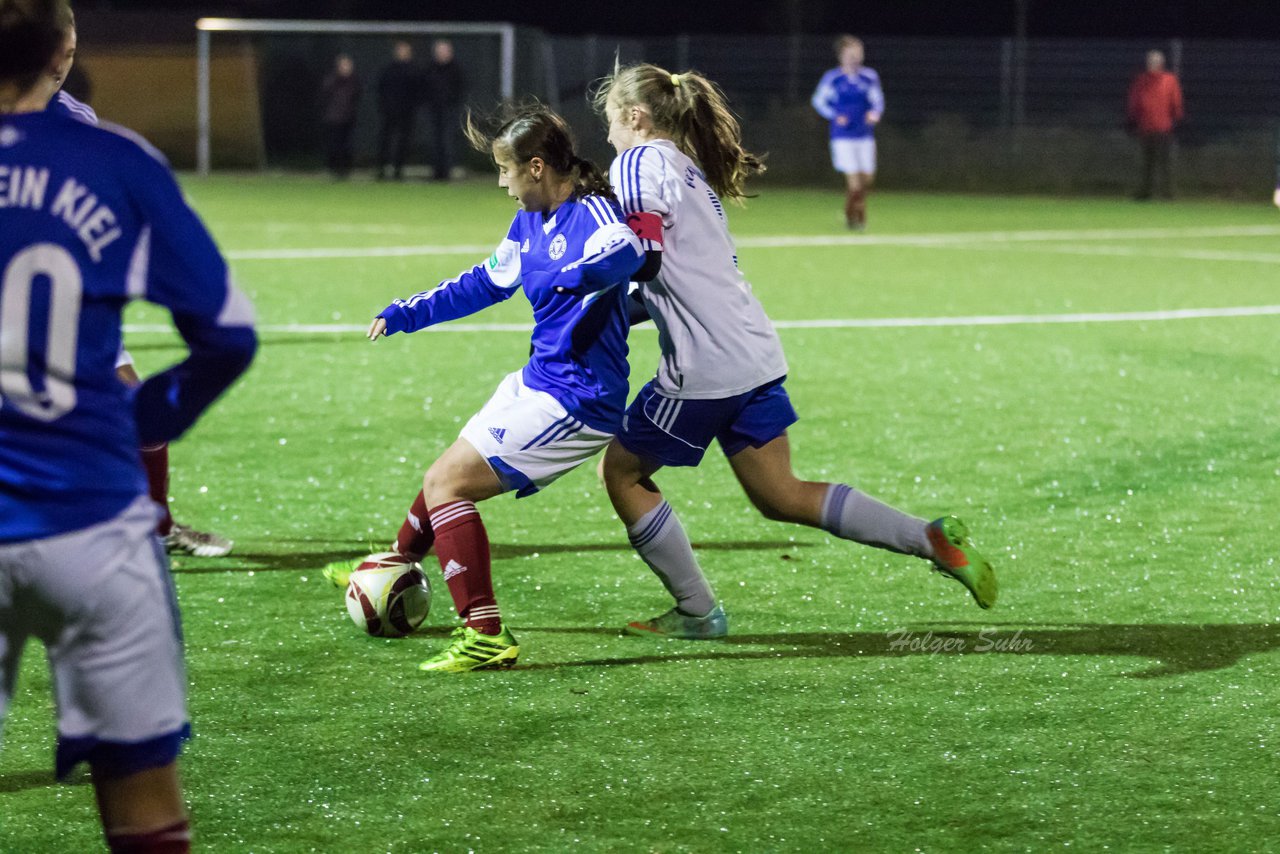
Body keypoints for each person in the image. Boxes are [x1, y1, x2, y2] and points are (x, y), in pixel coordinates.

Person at [591, 63, 997, 639]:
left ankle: (698, 611)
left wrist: (587, 282)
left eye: (610, 120)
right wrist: (625, 306)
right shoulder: (689, 171)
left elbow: (646, 249)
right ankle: (926, 538)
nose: (608, 133)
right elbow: (681, 274)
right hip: (753, 354)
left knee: (622, 473)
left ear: (635, 117)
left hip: (704, 368)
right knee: (781, 495)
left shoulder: (635, 161)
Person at [0, 1, 257, 850]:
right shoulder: (109, 158)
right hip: (97, 519)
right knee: (145, 810)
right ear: (60, 51)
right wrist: (135, 419)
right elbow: (227, 336)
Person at [327, 104, 644, 672]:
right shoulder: (529, 224)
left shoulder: (591, 213)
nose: (503, 184)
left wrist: (579, 275)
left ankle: (486, 633)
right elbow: (484, 282)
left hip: (580, 399)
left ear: (538, 167)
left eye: (506, 171)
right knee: (442, 474)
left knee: (448, 484)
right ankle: (393, 566)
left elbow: (627, 251)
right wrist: (407, 313)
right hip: (538, 382)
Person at [44, 9, 234, 557]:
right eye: (56, 50)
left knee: (139, 412)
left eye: (72, 53)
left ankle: (154, 527)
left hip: (74, 303)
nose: (61, 65)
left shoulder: (77, 120)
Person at [811, 35, 883, 230]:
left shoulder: (869, 76)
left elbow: (877, 101)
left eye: (858, 53)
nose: (855, 57)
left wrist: (874, 114)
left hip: (865, 135)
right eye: (851, 53)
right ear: (842, 55)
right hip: (842, 136)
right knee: (854, 180)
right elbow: (818, 101)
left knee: (867, 179)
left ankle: (849, 211)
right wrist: (835, 115)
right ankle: (858, 218)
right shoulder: (833, 78)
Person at [1126, 49, 1184, 200]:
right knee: (1151, 164)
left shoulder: (1165, 80)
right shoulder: (1147, 80)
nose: (1152, 64)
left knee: (1158, 163)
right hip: (1151, 127)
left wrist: (1177, 118)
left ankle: (1160, 193)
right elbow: (1134, 102)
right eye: (1151, 61)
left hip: (1159, 127)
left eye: (1154, 62)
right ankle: (1152, 193)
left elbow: (1175, 102)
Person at [375, 40, 422, 181]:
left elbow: (418, 91)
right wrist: (385, 105)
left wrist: (413, 106)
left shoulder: (414, 71)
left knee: (404, 142)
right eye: (400, 50)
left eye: (405, 51)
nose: (402, 53)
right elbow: (381, 89)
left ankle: (398, 169)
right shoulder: (389, 70)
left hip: (407, 113)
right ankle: (382, 168)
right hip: (390, 112)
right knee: (386, 140)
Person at [425, 38, 466, 181]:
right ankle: (436, 173)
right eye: (439, 51)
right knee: (435, 142)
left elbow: (460, 90)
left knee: (447, 142)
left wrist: (452, 103)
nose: (441, 54)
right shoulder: (430, 69)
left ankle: (447, 173)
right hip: (434, 111)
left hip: (449, 111)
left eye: (444, 50)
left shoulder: (456, 70)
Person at [321, 53, 360, 179]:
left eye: (348, 65)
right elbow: (325, 95)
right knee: (334, 145)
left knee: (347, 145)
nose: (346, 68)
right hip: (333, 118)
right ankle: (333, 169)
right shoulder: (331, 80)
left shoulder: (354, 81)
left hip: (348, 118)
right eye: (343, 65)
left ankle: (345, 170)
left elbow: (356, 96)